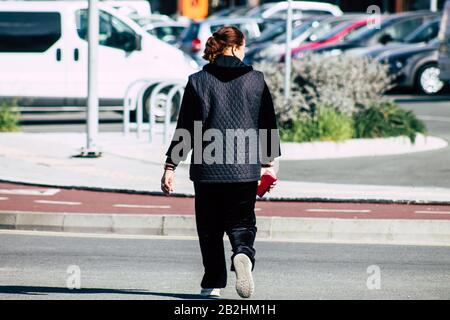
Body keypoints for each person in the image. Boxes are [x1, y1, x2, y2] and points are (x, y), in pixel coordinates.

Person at [161, 26, 281, 299]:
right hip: (244, 168)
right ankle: (242, 253)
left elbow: (186, 129)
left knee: (209, 229)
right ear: (237, 47)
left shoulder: (197, 81)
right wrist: (268, 165)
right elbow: (268, 126)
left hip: (207, 169)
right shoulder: (256, 80)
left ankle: (212, 284)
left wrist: (171, 166)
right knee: (242, 223)